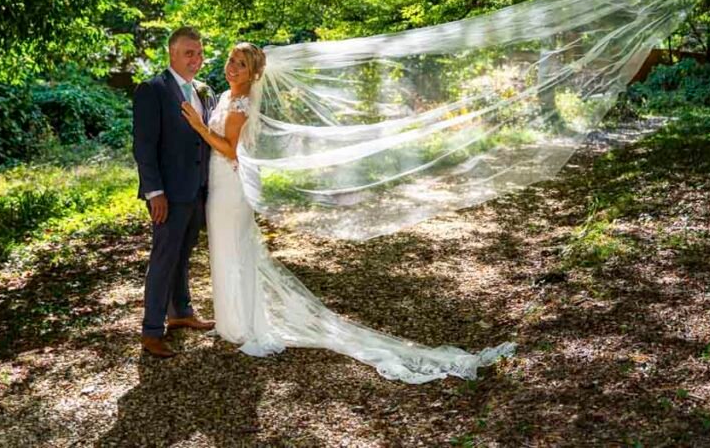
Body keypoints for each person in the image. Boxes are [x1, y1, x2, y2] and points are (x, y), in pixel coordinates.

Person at [180, 42, 514, 383]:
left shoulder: (241, 102)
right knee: (227, 251)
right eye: (232, 60)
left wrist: (199, 126)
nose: (232, 67)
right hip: (219, 184)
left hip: (231, 188)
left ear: (253, 73)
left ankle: (242, 326)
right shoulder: (224, 97)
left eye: (241, 64)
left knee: (234, 251)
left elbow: (231, 151)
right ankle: (231, 321)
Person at [133, 27, 217, 358]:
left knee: (183, 256)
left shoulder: (203, 90)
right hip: (167, 192)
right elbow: (144, 147)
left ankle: (180, 311)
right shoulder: (152, 90)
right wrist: (155, 193)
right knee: (164, 259)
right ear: (172, 54)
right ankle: (152, 331)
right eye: (188, 53)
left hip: (197, 189)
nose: (196, 59)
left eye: (199, 53)